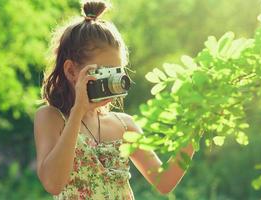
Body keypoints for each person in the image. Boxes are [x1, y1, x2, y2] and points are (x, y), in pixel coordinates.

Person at [33, 0, 195, 199]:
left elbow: (164, 182)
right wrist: (78, 111)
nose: (112, 80)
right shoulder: (51, 117)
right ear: (71, 70)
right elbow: (53, 183)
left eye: (117, 71)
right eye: (103, 71)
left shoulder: (124, 124)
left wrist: (193, 132)